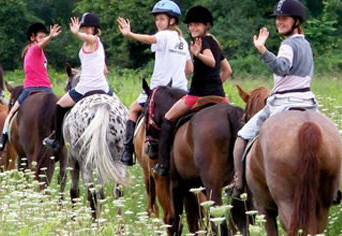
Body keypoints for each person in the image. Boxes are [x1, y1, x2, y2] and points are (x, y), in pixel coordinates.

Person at [231, 0, 317, 197]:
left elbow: (281, 67)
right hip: (308, 103)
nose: (279, 22)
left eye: (284, 18)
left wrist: (262, 50)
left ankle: (239, 184)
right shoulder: (306, 44)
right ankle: (334, 188)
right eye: (277, 18)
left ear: (296, 21)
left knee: (242, 136)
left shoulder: (287, 44)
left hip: (283, 104)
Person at [153, 5, 233, 176]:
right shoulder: (215, 43)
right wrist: (215, 84)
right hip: (219, 96)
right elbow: (228, 70)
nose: (192, 28)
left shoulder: (202, 42)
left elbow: (211, 62)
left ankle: (163, 164)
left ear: (206, 26)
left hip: (197, 95)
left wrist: (197, 54)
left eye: (197, 24)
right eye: (190, 25)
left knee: (168, 118)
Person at [117, 0, 193, 166]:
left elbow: (150, 39)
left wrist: (130, 34)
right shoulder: (183, 41)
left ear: (171, 21)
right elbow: (190, 68)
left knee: (133, 109)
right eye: (156, 19)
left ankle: (128, 150)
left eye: (161, 19)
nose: (158, 22)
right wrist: (176, 71)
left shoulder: (164, 35)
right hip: (181, 91)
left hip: (159, 90)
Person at [43, 13, 118, 152]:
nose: (85, 30)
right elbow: (105, 70)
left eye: (88, 28)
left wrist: (76, 33)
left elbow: (87, 38)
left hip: (84, 88)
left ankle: (57, 140)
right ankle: (126, 143)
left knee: (59, 106)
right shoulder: (96, 45)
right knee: (121, 108)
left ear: (95, 29)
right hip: (103, 88)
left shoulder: (93, 40)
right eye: (84, 28)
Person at [0, 22, 61, 151]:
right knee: (59, 110)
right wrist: (50, 37)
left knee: (11, 113)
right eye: (40, 37)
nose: (42, 40)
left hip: (35, 88)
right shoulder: (34, 49)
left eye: (44, 36)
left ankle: (2, 140)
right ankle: (59, 138)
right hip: (39, 88)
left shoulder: (36, 52)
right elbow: (42, 44)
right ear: (33, 38)